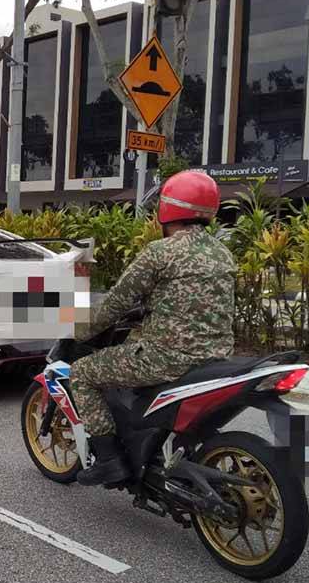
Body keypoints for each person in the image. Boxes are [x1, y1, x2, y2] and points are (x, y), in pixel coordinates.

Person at [71, 171, 237, 487]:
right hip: (218, 359)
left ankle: (109, 461)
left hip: (167, 359)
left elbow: (115, 304)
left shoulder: (160, 252)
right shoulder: (222, 252)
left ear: (167, 209)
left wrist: (80, 329)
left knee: (82, 373)